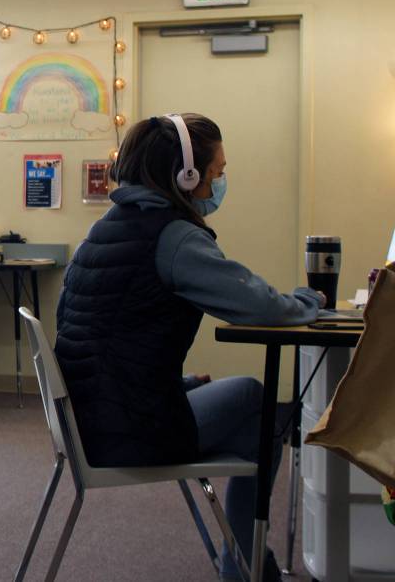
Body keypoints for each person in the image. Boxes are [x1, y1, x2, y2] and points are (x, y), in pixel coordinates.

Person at [54, 113, 323, 582]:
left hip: (87, 421)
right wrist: (309, 299)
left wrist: (175, 383)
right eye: (217, 172)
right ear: (187, 176)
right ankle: (246, 568)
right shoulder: (174, 236)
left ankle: (247, 565)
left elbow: (93, 339)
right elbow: (262, 306)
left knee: (251, 418)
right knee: (256, 402)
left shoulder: (101, 231)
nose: (220, 182)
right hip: (131, 430)